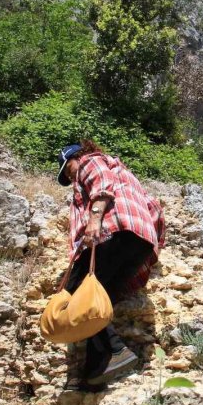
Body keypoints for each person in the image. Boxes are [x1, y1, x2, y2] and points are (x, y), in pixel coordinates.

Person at [56, 140, 165, 391]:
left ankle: (116, 350)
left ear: (76, 157)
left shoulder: (90, 161)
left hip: (112, 232)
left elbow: (101, 184)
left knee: (76, 294)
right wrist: (153, 246)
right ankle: (94, 373)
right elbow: (154, 208)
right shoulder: (125, 175)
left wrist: (94, 220)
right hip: (139, 239)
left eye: (69, 170)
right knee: (99, 303)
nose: (72, 177)